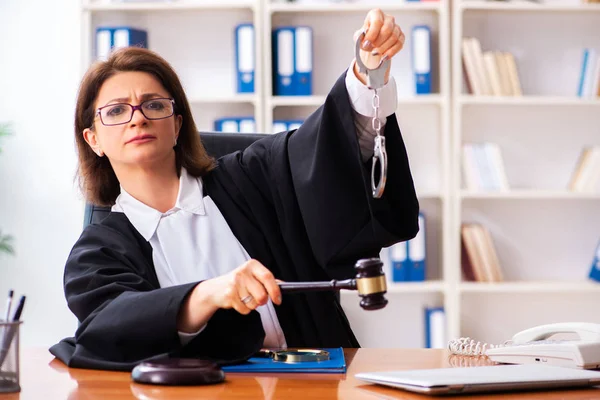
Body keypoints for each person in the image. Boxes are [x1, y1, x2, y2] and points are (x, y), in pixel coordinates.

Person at [50, 8, 419, 371]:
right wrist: (207, 294)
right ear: (93, 139)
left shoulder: (253, 177)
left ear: (177, 125)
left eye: (154, 104)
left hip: (311, 385)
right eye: (116, 111)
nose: (139, 117)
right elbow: (107, 328)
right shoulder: (97, 251)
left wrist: (367, 75)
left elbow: (324, 152)